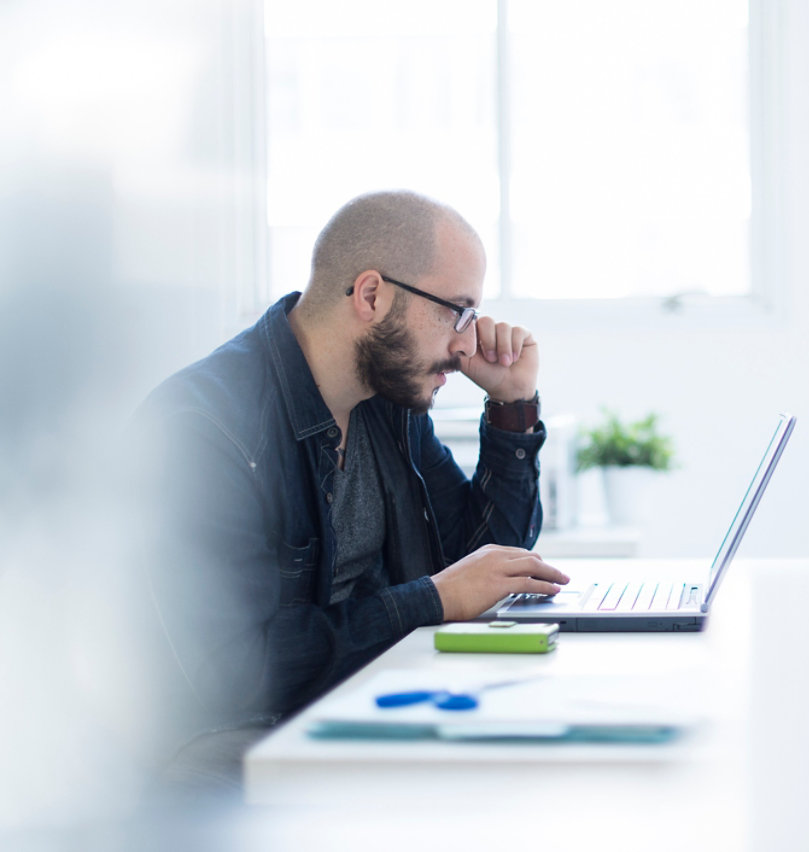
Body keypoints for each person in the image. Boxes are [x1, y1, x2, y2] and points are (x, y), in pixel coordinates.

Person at [134, 190, 569, 791]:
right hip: (231, 742)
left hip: (356, 699)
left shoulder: (387, 406)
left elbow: (486, 570)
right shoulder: (200, 427)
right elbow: (230, 676)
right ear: (372, 295)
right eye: (457, 311)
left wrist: (511, 407)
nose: (467, 344)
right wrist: (430, 600)